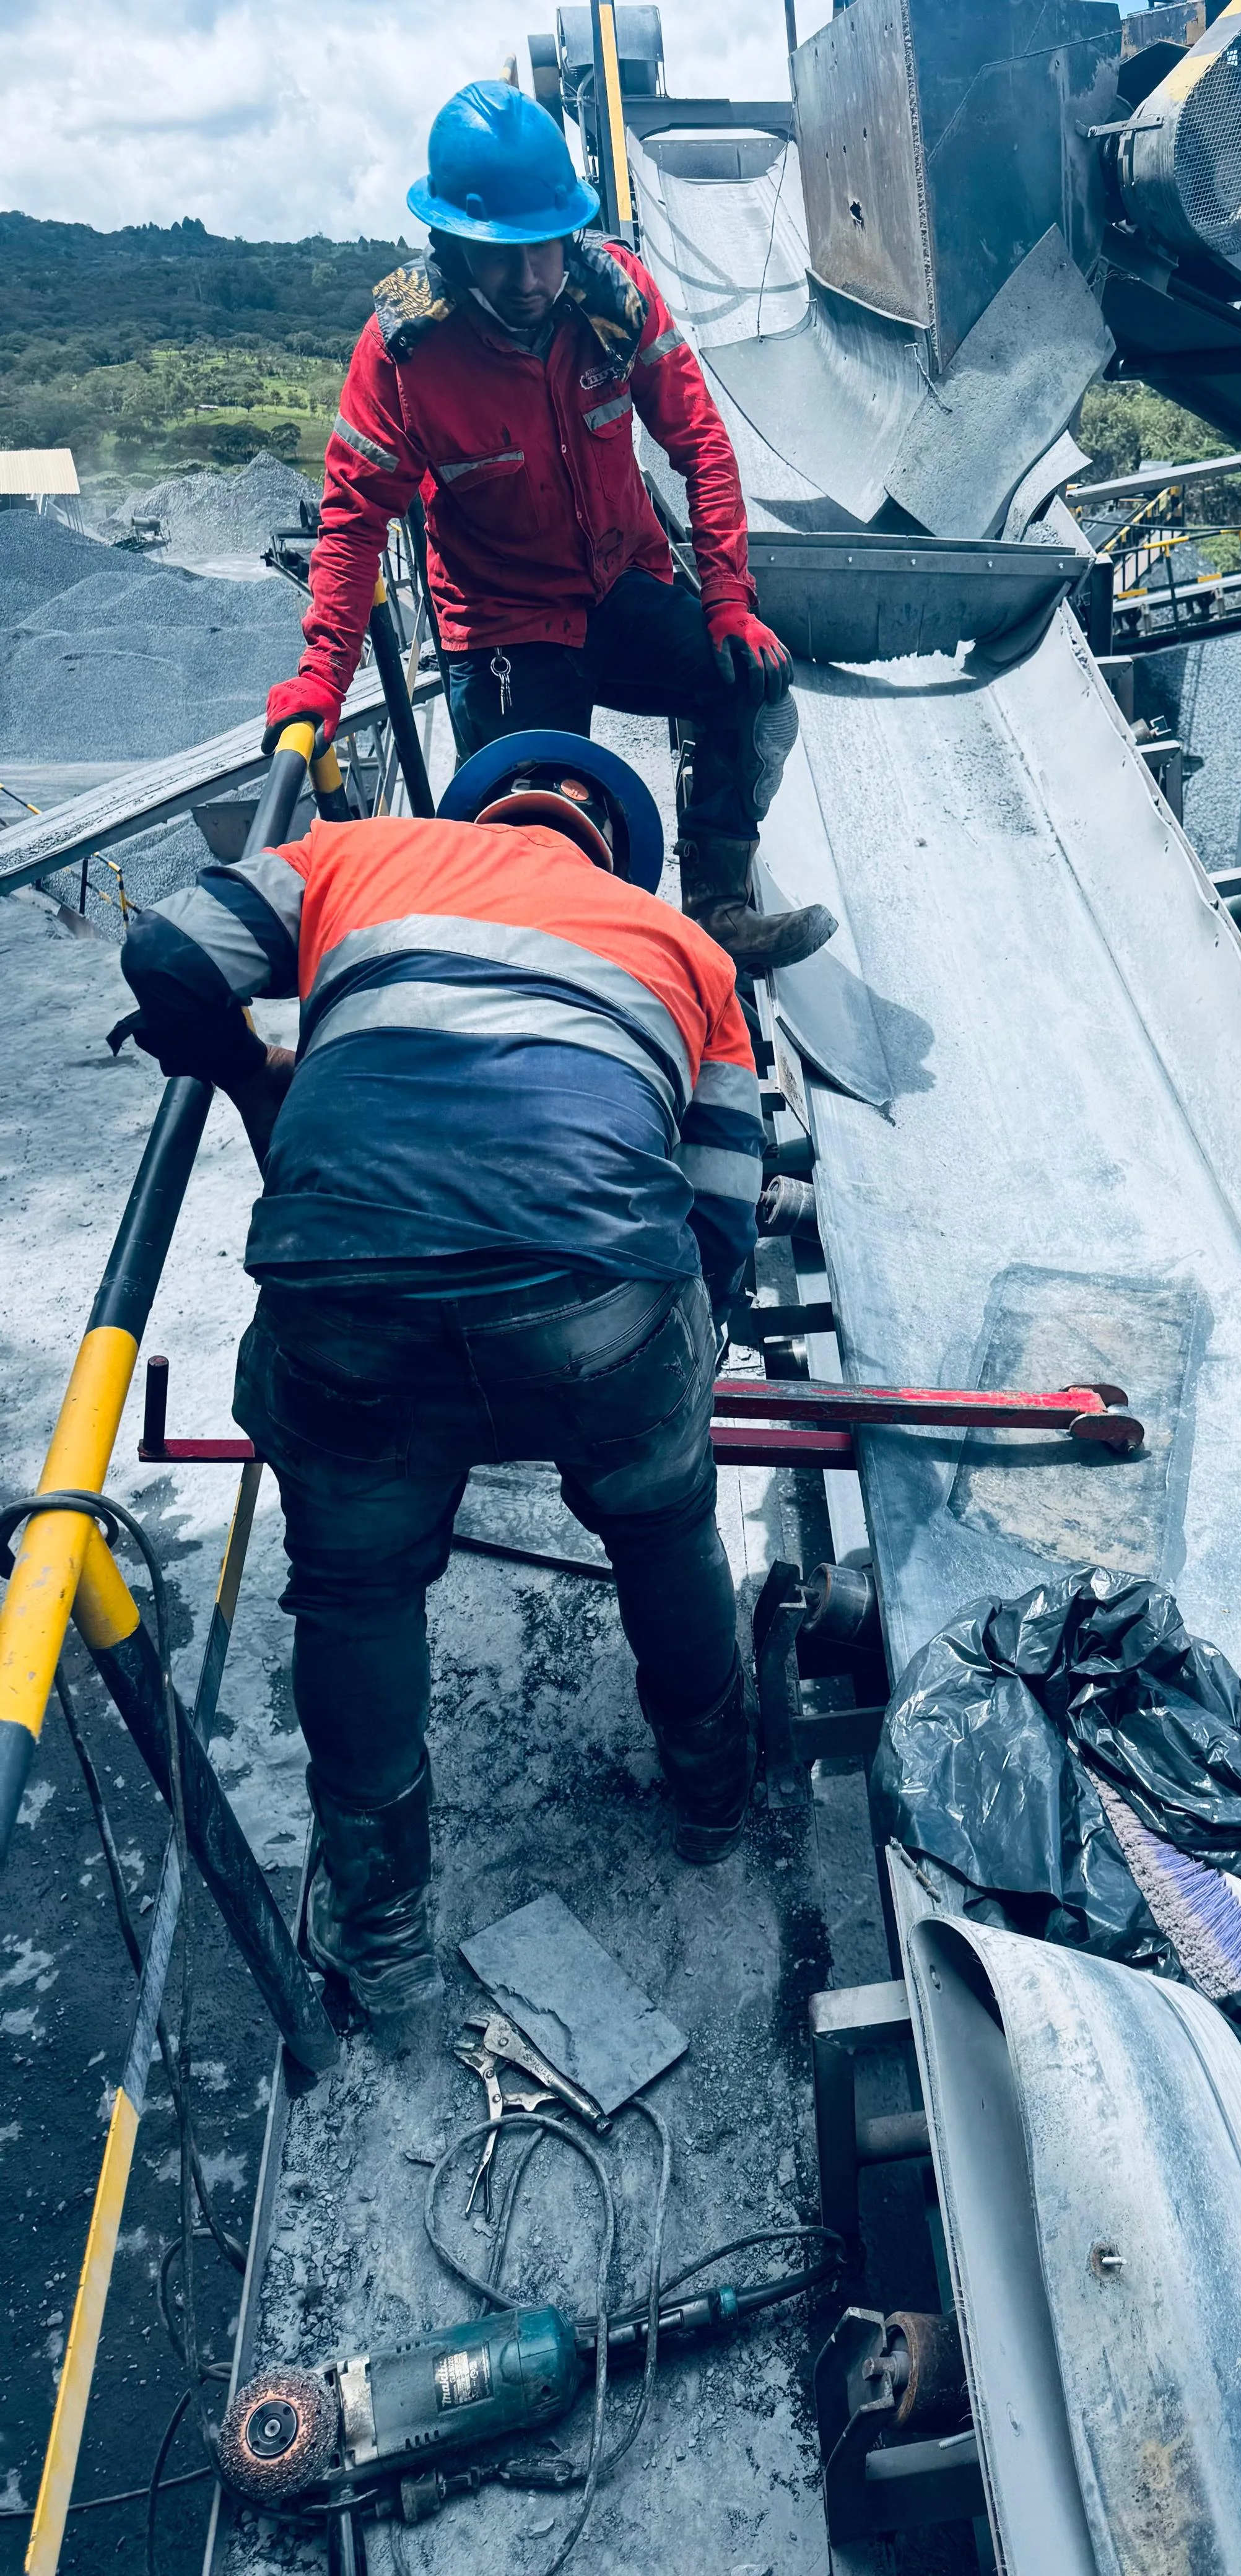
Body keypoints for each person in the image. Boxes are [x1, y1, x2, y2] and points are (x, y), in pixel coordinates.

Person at [120, 733, 764, 2035]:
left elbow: (172, 955)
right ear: (617, 854)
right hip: (594, 1296)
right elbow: (725, 1212)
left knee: (355, 1587)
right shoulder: (685, 949)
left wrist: (256, 1075)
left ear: (474, 811)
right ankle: (713, 1801)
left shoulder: (357, 853)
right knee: (659, 1519)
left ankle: (387, 1935)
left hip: (346, 1289)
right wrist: (654, 1368)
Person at [264, 79, 832, 974]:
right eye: (502, 257)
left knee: (752, 693)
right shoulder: (404, 356)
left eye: (547, 249)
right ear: (451, 244)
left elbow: (704, 447)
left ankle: (718, 907)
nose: (532, 280)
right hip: (504, 628)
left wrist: (726, 599)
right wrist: (318, 682)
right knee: (534, 833)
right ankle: (566, 975)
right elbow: (352, 524)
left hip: (620, 589)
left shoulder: (615, 300)